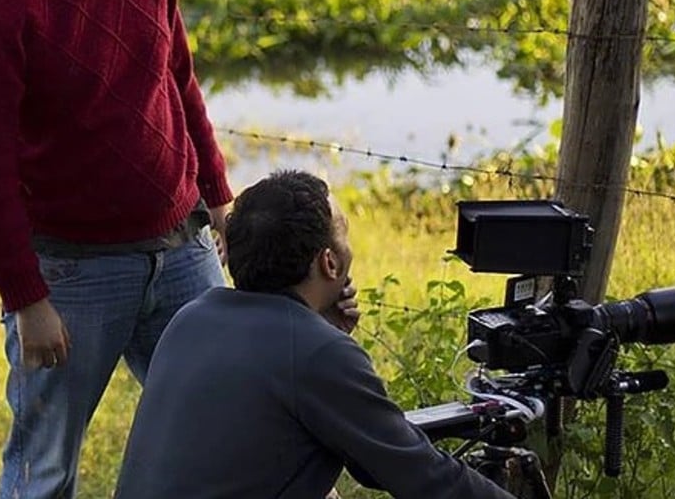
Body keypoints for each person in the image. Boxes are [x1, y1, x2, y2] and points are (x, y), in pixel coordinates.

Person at [0, 0, 248, 496]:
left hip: (181, 250)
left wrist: (218, 197)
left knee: (230, 427)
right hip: (73, 275)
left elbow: (180, 82)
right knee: (44, 469)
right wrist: (26, 297)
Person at [114, 170, 516, 499]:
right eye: (343, 232)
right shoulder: (314, 352)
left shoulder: (192, 317)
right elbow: (420, 477)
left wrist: (322, 330)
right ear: (329, 261)